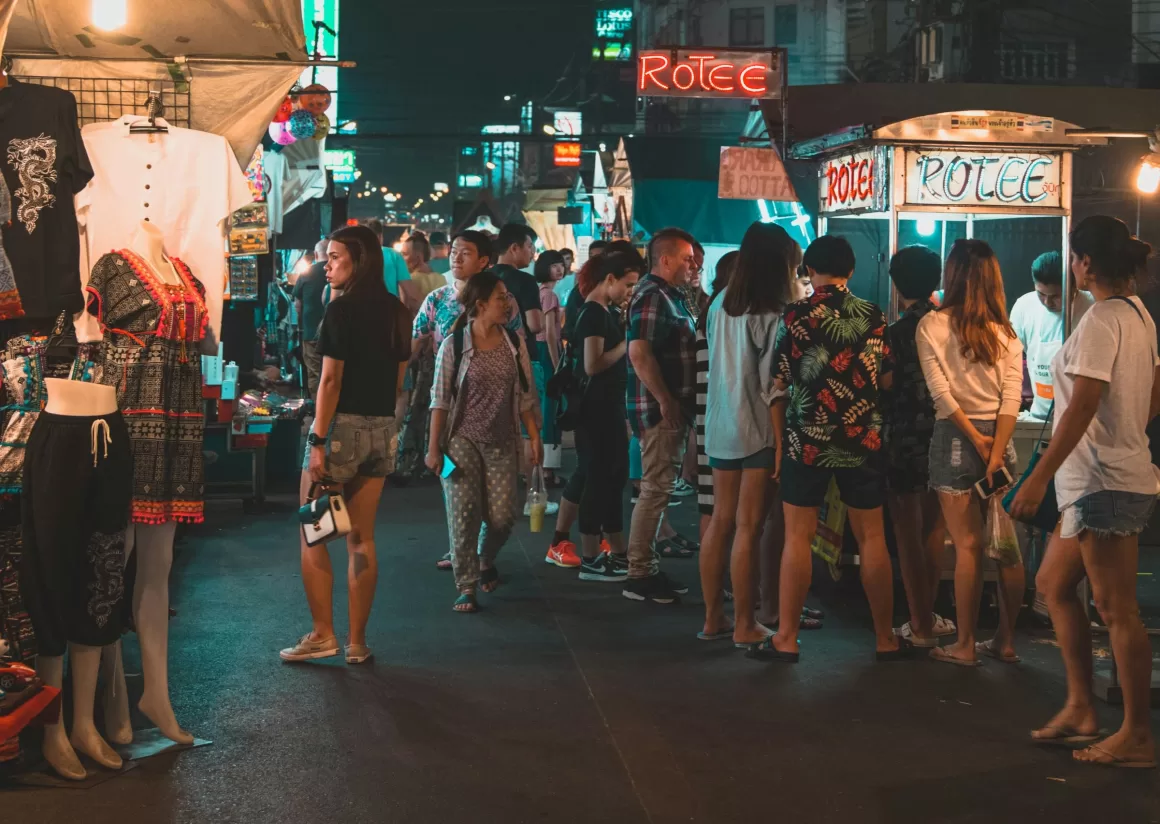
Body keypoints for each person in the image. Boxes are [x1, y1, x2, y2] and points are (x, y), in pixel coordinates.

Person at [1013, 216, 1159, 768]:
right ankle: (1080, 705)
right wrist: (1130, 430)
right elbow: (1152, 385)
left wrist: (1038, 475)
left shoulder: (1103, 317)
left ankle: (1138, 733)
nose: (1071, 267)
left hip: (1103, 483)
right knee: (1052, 583)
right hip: (1099, 479)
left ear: (1087, 263)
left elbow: (1082, 405)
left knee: (1117, 609)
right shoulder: (1138, 313)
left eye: (1074, 258)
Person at [755, 234, 904, 663]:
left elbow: (780, 379)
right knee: (872, 537)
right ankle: (884, 638)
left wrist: (783, 442)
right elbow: (889, 378)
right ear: (852, 271)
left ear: (808, 270)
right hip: (862, 436)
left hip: (808, 438)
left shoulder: (796, 315)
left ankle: (786, 637)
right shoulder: (873, 314)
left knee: (796, 538)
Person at [281, 225, 411, 665]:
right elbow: (398, 381)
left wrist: (317, 438)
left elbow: (331, 381)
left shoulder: (340, 311)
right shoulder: (397, 311)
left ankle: (322, 634)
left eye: (335, 257)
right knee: (361, 538)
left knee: (315, 535)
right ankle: (357, 642)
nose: (327, 265)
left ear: (359, 261)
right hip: (380, 430)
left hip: (339, 433)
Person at [916, 239, 1024, 667]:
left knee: (967, 547)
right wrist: (995, 450)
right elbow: (1011, 400)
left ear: (953, 275)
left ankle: (964, 644)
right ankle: (1006, 640)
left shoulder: (932, 324)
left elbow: (940, 394)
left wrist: (975, 442)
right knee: (1008, 548)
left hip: (955, 440)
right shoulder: (1007, 332)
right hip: (1002, 441)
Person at [699, 223, 796, 646]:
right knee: (749, 527)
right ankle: (744, 622)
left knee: (720, 521)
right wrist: (780, 444)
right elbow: (774, 386)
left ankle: (712, 618)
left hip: (719, 425)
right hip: (757, 431)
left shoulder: (720, 303)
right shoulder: (770, 313)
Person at [426, 272, 542, 613]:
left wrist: (534, 438)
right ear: (480, 305)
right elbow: (440, 400)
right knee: (463, 513)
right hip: (461, 439)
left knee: (504, 516)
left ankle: (484, 557)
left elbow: (525, 396)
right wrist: (433, 448)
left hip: (503, 439)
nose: (507, 304)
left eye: (507, 297)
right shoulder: (455, 344)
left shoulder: (514, 342)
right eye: (501, 298)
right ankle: (466, 586)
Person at [411, 230, 525, 569]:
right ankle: (462, 553)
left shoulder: (506, 304)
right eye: (454, 251)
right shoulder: (436, 300)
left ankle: (479, 551)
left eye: (465, 252)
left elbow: (517, 351)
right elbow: (414, 346)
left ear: (484, 261)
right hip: (449, 408)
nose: (456, 258)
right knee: (458, 489)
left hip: (497, 411)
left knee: (499, 501)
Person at [547, 243, 646, 565]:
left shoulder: (601, 312)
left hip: (606, 406)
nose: (630, 292)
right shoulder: (593, 313)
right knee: (598, 478)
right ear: (609, 279)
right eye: (628, 284)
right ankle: (591, 554)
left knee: (607, 476)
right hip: (597, 409)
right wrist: (627, 345)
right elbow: (592, 364)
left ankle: (613, 550)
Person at [883, 246, 955, 647]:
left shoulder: (893, 333)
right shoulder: (950, 326)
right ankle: (928, 615)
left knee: (906, 530)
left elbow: (886, 386)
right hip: (944, 433)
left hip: (903, 436)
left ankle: (919, 622)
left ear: (895, 284)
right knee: (934, 528)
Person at [624, 227, 699, 604]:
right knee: (654, 491)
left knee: (657, 490)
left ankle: (645, 568)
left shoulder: (669, 296)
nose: (693, 264)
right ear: (665, 259)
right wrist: (665, 400)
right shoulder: (654, 296)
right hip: (658, 411)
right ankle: (639, 572)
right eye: (686, 258)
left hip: (668, 407)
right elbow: (639, 353)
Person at [1010, 251, 1094, 422]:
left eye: (1055, 296)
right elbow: (1010, 359)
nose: (1047, 302)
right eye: (1041, 294)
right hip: (1039, 415)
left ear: (1072, 286)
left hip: (1081, 420)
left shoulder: (1091, 307)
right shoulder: (1024, 307)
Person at [534, 251, 567, 491]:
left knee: (546, 405)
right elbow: (551, 331)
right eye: (554, 265)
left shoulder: (540, 293)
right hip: (547, 350)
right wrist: (557, 363)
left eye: (561, 264)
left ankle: (546, 467)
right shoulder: (550, 296)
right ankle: (549, 469)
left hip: (539, 350)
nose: (559, 269)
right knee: (551, 407)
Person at [492, 223, 542, 342]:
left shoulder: (482, 277)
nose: (532, 252)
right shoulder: (526, 280)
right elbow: (535, 326)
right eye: (529, 246)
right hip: (521, 351)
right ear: (514, 248)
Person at [294, 238, 329, 398]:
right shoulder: (338, 271)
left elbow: (298, 305)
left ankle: (318, 410)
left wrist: (299, 327)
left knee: (315, 373)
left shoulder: (306, 273)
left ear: (315, 254)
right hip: (333, 333)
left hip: (310, 332)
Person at [366, 218, 419, 311]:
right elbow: (410, 293)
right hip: (387, 312)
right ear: (380, 236)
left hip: (360, 312)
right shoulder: (393, 255)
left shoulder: (356, 256)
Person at [404, 231, 451, 302]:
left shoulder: (409, 281)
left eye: (405, 254)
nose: (401, 258)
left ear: (418, 257)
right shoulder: (441, 278)